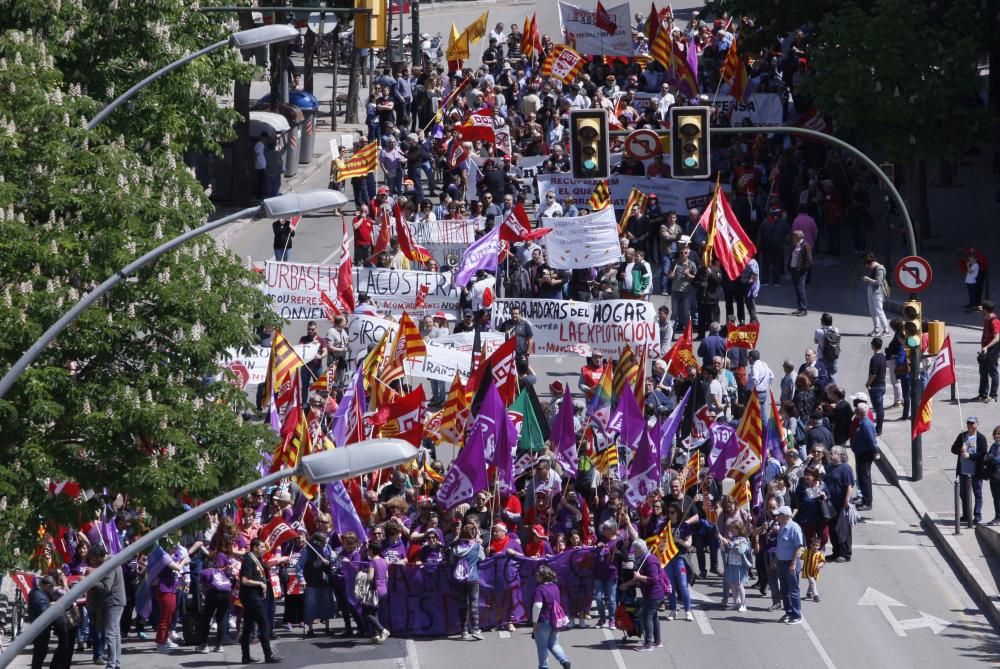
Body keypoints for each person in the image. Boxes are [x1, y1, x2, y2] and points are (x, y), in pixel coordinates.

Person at [240, 538, 282, 664]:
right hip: (251, 597)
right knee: (264, 624)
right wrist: (260, 583)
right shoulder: (248, 559)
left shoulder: (256, 559)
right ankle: (268, 655)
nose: (264, 549)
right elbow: (244, 580)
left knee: (247, 627)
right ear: (255, 548)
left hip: (254, 596)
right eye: (262, 547)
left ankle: (245, 656)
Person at [622, 539, 665, 651]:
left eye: (635, 551)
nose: (634, 554)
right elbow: (637, 578)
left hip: (654, 594)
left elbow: (653, 580)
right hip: (650, 594)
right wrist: (625, 585)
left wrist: (639, 577)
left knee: (646, 617)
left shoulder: (650, 561)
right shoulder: (642, 559)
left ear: (640, 550)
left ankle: (648, 644)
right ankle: (657, 641)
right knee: (653, 617)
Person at [531, 565, 572, 669]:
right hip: (555, 621)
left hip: (543, 621)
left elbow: (537, 605)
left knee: (542, 647)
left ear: (542, 576)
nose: (536, 576)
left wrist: (534, 622)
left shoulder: (540, 589)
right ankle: (565, 660)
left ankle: (543, 667)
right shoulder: (555, 587)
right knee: (553, 644)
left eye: (538, 574)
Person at [91, 546, 126, 669]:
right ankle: (116, 663)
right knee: (115, 633)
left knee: (111, 633)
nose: (92, 562)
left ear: (100, 556)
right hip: (114, 602)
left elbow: (106, 587)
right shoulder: (111, 561)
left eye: (93, 559)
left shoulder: (109, 564)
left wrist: (90, 580)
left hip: (113, 602)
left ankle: (111, 664)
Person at [451, 523, 485, 640]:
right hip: (473, 578)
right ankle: (476, 629)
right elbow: (482, 558)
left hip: (459, 579)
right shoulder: (476, 547)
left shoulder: (455, 548)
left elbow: (451, 561)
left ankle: (463, 631)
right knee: (474, 604)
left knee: (463, 604)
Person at [952, 417, 989, 524]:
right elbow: (953, 449)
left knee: (977, 493)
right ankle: (966, 515)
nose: (969, 425)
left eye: (972, 423)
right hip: (964, 471)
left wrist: (970, 456)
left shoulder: (981, 438)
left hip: (976, 472)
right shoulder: (962, 436)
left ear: (977, 424)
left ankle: (977, 515)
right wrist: (960, 450)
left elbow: (983, 453)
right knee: (963, 494)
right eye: (968, 423)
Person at [774, 505, 804, 624]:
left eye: (779, 515)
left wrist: (793, 563)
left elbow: (798, 547)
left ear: (785, 516)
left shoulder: (794, 528)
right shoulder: (782, 526)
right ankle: (788, 612)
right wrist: (776, 558)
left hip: (790, 563)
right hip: (781, 562)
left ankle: (797, 616)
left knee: (793, 590)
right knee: (784, 589)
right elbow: (780, 545)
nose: (777, 517)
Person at [825, 446, 855, 561]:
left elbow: (849, 486)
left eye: (832, 453)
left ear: (840, 455)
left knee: (843, 529)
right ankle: (836, 552)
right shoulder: (830, 467)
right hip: (830, 504)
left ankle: (845, 553)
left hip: (841, 504)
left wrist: (847, 500)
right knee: (832, 529)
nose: (830, 454)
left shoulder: (845, 468)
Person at [850, 402, 880, 512]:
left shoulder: (866, 424)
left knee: (865, 478)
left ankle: (868, 502)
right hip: (860, 453)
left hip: (865, 454)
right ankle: (864, 498)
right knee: (862, 477)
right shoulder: (862, 422)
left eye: (856, 410)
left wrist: (875, 452)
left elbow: (872, 440)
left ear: (859, 412)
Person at [722, 521, 753, 612]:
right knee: (732, 585)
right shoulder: (732, 538)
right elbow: (728, 550)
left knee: (739, 585)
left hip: (739, 566)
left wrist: (730, 544)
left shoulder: (743, 540)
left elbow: (740, 551)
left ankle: (743, 604)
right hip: (731, 564)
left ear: (739, 529)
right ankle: (736, 603)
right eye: (731, 528)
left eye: (734, 528)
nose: (732, 530)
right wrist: (725, 545)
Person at [974, 300, 1000, 403]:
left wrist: (986, 347)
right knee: (983, 371)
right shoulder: (986, 317)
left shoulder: (994, 321)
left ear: (985, 310)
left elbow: (997, 337)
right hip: (985, 349)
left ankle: (993, 396)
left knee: (993, 372)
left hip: (993, 349)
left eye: (982, 308)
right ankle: (983, 394)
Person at [862, 254, 890, 336]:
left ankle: (886, 330)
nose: (869, 267)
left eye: (869, 265)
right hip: (872, 291)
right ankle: (876, 329)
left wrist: (868, 279)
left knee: (879, 311)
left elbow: (879, 283)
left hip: (877, 293)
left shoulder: (880, 269)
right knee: (872, 311)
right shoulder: (875, 268)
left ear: (873, 262)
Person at [865, 337, 887, 435]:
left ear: (873, 345)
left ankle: (878, 429)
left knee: (878, 409)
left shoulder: (874, 359)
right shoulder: (882, 356)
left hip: (876, 387)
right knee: (879, 408)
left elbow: (873, 374)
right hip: (882, 385)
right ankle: (879, 428)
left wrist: (868, 383)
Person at [787, 229, 812, 316]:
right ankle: (800, 308)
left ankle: (804, 309)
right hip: (793, 270)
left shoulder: (805, 246)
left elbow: (808, 261)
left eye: (794, 236)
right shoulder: (794, 245)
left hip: (800, 271)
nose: (792, 237)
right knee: (797, 289)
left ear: (799, 237)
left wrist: (802, 269)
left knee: (800, 289)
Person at [801, 535, 825, 602]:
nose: (815, 547)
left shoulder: (820, 554)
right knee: (812, 583)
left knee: (811, 583)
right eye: (813, 545)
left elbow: (823, 561)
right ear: (810, 545)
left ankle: (809, 593)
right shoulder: (807, 552)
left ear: (819, 546)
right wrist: (802, 552)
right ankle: (816, 595)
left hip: (815, 571)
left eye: (817, 545)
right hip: (808, 571)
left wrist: (820, 564)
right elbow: (801, 557)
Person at [986, 425, 1000, 525]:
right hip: (993, 476)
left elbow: (996, 459)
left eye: (998, 434)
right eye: (995, 434)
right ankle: (997, 516)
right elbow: (986, 458)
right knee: (995, 498)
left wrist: (990, 458)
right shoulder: (994, 446)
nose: (996, 436)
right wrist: (990, 458)